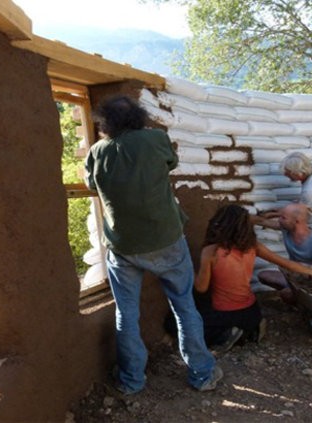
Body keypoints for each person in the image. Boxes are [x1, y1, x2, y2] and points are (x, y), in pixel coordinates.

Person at [84, 95, 221, 394]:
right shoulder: (156, 139)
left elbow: (91, 185)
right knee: (184, 307)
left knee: (126, 314)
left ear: (105, 123)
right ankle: (202, 374)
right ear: (138, 117)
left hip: (123, 247)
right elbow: (171, 163)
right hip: (166, 241)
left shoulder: (97, 152)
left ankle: (132, 381)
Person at [194, 204, 312, 353]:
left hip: (224, 314)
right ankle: (250, 330)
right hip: (251, 312)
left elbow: (201, 288)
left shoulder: (210, 251)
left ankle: (226, 334)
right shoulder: (252, 246)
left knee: (181, 324)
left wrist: (190, 273)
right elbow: (285, 263)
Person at [251, 203, 312, 301]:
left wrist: (310, 269)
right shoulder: (287, 229)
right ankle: (296, 293)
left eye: (283, 218)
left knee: (286, 294)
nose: (279, 220)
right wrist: (240, 217)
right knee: (264, 276)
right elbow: (263, 221)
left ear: (296, 221)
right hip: (295, 275)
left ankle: (304, 298)